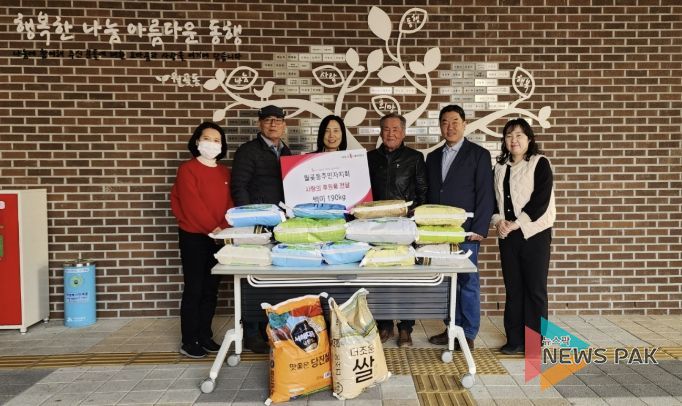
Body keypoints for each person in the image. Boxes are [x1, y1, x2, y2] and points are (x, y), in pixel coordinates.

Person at [425, 105, 494, 350]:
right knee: (447, 281)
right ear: (440, 126)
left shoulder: (479, 155)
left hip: (467, 230)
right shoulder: (432, 157)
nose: (450, 127)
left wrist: (480, 228)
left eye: (455, 121)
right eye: (445, 122)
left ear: (464, 124)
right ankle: (451, 328)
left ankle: (469, 332)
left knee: (467, 281)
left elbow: (486, 194)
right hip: (440, 231)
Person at [231, 105, 291, 353]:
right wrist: (249, 220)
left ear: (284, 125)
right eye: (268, 120)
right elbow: (239, 186)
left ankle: (271, 327)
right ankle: (252, 332)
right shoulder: (248, 151)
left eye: (278, 120)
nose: (273, 124)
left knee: (275, 275)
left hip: (280, 223)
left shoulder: (286, 152)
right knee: (253, 276)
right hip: (256, 224)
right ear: (260, 124)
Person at [492, 118, 555, 355]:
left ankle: (535, 344)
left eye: (519, 135)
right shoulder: (499, 167)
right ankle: (515, 339)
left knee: (535, 289)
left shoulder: (540, 163)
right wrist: (499, 222)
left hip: (534, 234)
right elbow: (493, 200)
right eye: (509, 135)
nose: (514, 140)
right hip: (508, 236)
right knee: (514, 289)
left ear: (529, 139)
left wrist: (517, 224)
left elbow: (541, 200)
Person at [171, 122, 234, 359]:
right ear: (197, 141)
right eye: (207, 138)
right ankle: (189, 340)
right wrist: (212, 228)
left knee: (210, 289)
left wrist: (223, 227)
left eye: (217, 140)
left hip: (218, 237)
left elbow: (230, 203)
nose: (212, 144)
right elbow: (191, 203)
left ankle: (205, 336)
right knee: (194, 288)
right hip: (194, 237)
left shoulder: (224, 172)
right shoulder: (187, 169)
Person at [367, 112, 428, 347]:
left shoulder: (415, 158)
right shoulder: (370, 158)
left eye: (395, 129)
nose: (390, 134)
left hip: (404, 227)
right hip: (376, 227)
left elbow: (422, 192)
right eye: (386, 129)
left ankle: (405, 327)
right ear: (380, 132)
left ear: (403, 133)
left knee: (406, 277)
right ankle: (384, 324)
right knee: (379, 276)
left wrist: (413, 216)